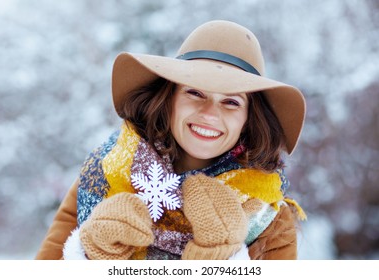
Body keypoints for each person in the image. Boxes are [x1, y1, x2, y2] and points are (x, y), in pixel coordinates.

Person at [35, 20, 306, 260]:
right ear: (170, 98)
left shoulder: (269, 218)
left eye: (231, 102)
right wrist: (92, 255)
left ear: (249, 117)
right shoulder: (105, 175)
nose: (209, 114)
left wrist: (220, 264)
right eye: (195, 93)